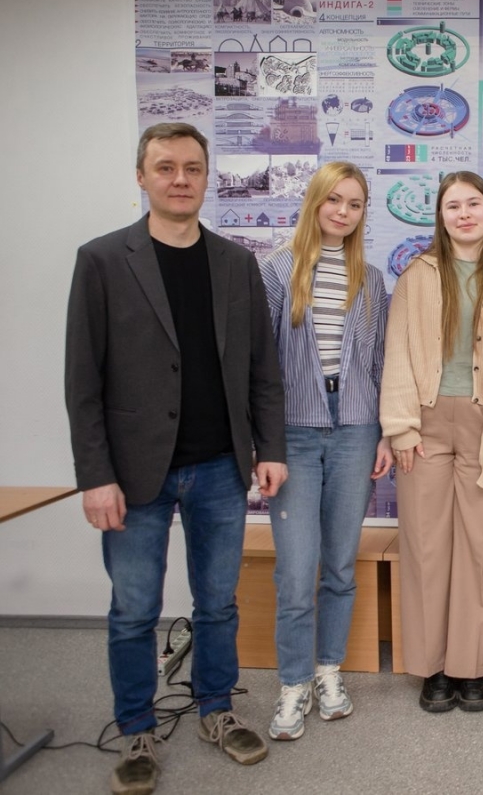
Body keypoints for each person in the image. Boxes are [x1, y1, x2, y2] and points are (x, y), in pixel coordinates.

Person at [64, 122, 287, 795]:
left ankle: (217, 710)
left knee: (217, 603)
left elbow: (262, 369)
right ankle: (137, 729)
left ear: (207, 177)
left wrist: (270, 449)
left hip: (219, 465)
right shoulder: (103, 260)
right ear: (142, 176)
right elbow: (83, 382)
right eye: (165, 167)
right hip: (135, 474)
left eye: (192, 167)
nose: (180, 179)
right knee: (134, 610)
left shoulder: (236, 263)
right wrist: (95, 476)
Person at [380, 171, 483, 713]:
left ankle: (472, 667)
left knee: (481, 548)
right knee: (425, 548)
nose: (464, 213)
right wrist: (401, 426)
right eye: (453, 206)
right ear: (440, 216)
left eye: (473, 204)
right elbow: (398, 350)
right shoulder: (417, 275)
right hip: (423, 423)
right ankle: (432, 667)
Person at [257, 162, 392, 741]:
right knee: (296, 571)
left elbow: (381, 362)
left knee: (339, 564)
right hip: (294, 431)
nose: (343, 211)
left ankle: (328, 672)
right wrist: (263, 443)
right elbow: (259, 365)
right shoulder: (275, 270)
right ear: (314, 201)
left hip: (356, 429)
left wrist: (385, 433)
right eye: (334, 199)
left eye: (355, 204)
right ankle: (293, 683)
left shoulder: (372, 279)